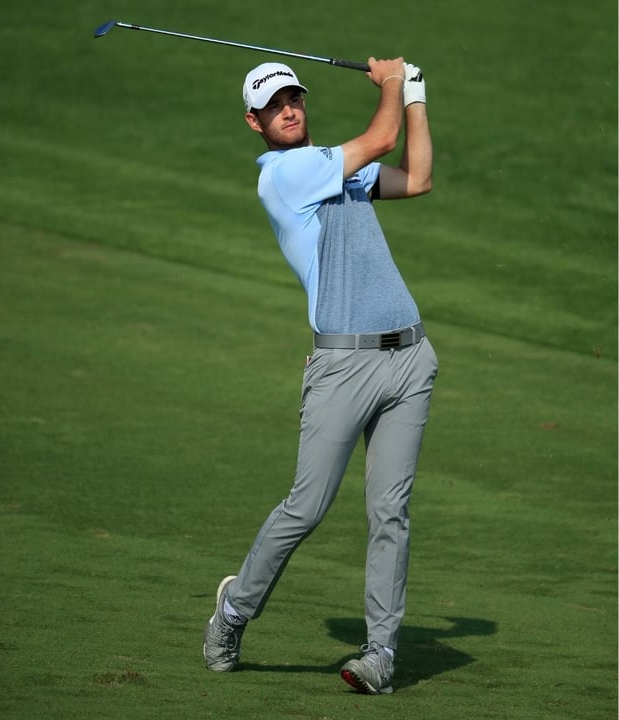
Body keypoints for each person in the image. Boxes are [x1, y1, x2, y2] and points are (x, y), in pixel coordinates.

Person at [202, 57, 437, 695]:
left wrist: (414, 96)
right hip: (343, 365)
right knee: (306, 506)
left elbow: (416, 178)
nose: (289, 109)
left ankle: (380, 653)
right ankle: (234, 611)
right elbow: (380, 139)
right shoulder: (287, 175)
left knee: (391, 512)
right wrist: (391, 80)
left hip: (409, 358)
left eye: (295, 98)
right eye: (275, 104)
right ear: (254, 122)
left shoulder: (340, 171)